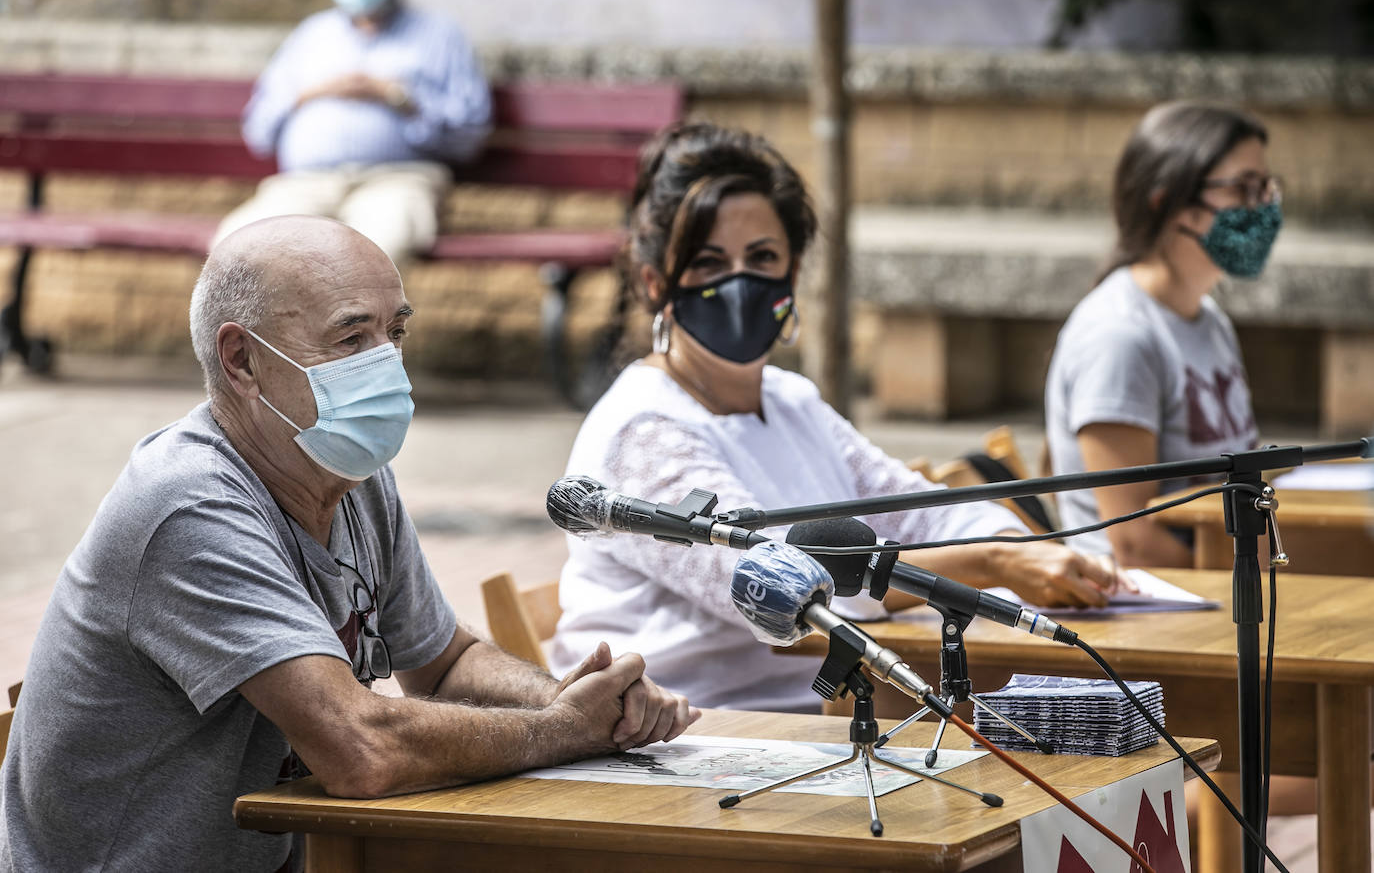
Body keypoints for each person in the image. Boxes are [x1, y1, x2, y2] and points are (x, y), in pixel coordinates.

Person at [0, 216, 697, 872]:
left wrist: (574, 702)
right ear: (241, 360)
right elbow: (360, 750)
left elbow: (447, 664)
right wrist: (560, 731)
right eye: (351, 339)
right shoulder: (189, 507)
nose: (387, 364)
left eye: (395, 332)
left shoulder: (348, 472)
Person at [548, 123, 1127, 713]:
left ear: (792, 274)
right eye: (710, 263)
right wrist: (993, 562)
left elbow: (914, 505)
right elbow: (779, 587)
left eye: (763, 258)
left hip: (834, 713)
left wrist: (1012, 543)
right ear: (656, 283)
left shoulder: (790, 399)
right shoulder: (640, 433)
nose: (739, 282)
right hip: (700, 735)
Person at [1045, 101, 1278, 566]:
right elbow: (1132, 541)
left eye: (1266, 188)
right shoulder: (1119, 336)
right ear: (1167, 202)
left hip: (1226, 582)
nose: (1262, 209)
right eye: (1241, 190)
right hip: (1154, 608)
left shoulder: (1209, 320)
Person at [213, 0, 491, 266]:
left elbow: (469, 134)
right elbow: (259, 130)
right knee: (236, 249)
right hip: (305, 184)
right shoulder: (311, 35)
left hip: (396, 182)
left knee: (370, 261)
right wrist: (310, 95)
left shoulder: (441, 36)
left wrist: (395, 97)